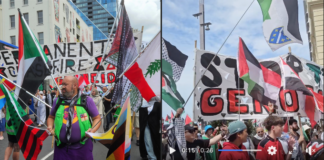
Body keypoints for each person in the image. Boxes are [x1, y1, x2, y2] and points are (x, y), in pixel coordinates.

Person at [46, 76, 101, 160]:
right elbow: (51, 117)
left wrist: (92, 130)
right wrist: (50, 126)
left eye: (65, 84)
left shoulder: (86, 100)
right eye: (62, 84)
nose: (62, 87)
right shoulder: (58, 101)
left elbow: (97, 118)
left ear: (75, 85)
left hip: (82, 149)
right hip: (61, 149)